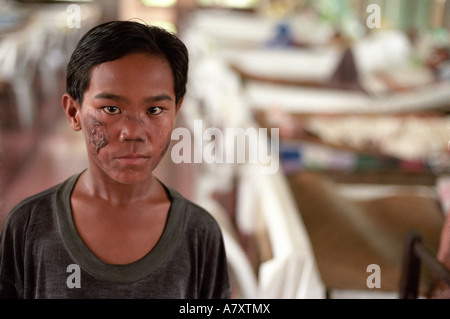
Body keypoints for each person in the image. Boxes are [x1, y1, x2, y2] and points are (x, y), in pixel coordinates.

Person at [0, 20, 230, 299]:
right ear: (74, 112)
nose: (132, 132)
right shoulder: (28, 226)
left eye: (155, 109)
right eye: (111, 108)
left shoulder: (200, 234)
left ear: (176, 112)